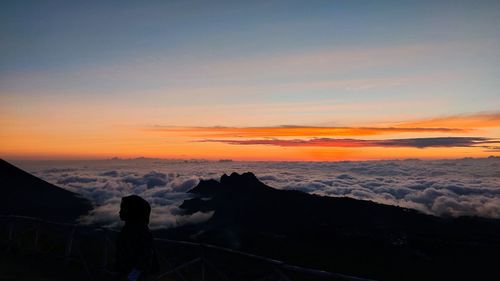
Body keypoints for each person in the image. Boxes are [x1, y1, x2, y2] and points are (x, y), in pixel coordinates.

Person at [116, 195, 158, 281]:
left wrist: (131, 277)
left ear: (132, 211)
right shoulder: (131, 229)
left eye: (123, 209)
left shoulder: (138, 231)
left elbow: (145, 257)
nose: (119, 212)